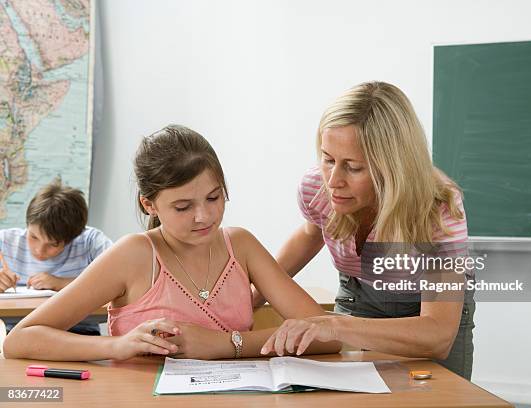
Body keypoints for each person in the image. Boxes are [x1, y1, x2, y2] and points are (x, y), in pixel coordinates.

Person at [3, 125, 340, 361]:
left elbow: (329, 335)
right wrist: (116, 346)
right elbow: (20, 340)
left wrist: (227, 344)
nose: (203, 216)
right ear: (149, 204)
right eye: (182, 207)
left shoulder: (242, 245)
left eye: (213, 197)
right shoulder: (133, 254)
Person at [258, 82, 476, 379]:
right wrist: (249, 298)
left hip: (424, 309)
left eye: (353, 167)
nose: (333, 180)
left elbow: (437, 334)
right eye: (328, 159)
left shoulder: (438, 208)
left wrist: (333, 324)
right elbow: (310, 235)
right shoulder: (317, 188)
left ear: (392, 167)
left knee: (439, 396)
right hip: (358, 293)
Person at [0, 179, 113, 335]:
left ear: (71, 239)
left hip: (79, 333)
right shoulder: (5, 241)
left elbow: (118, 283)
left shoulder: (90, 241)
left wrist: (60, 283)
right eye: (33, 237)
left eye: (52, 245)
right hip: (17, 333)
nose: (39, 250)